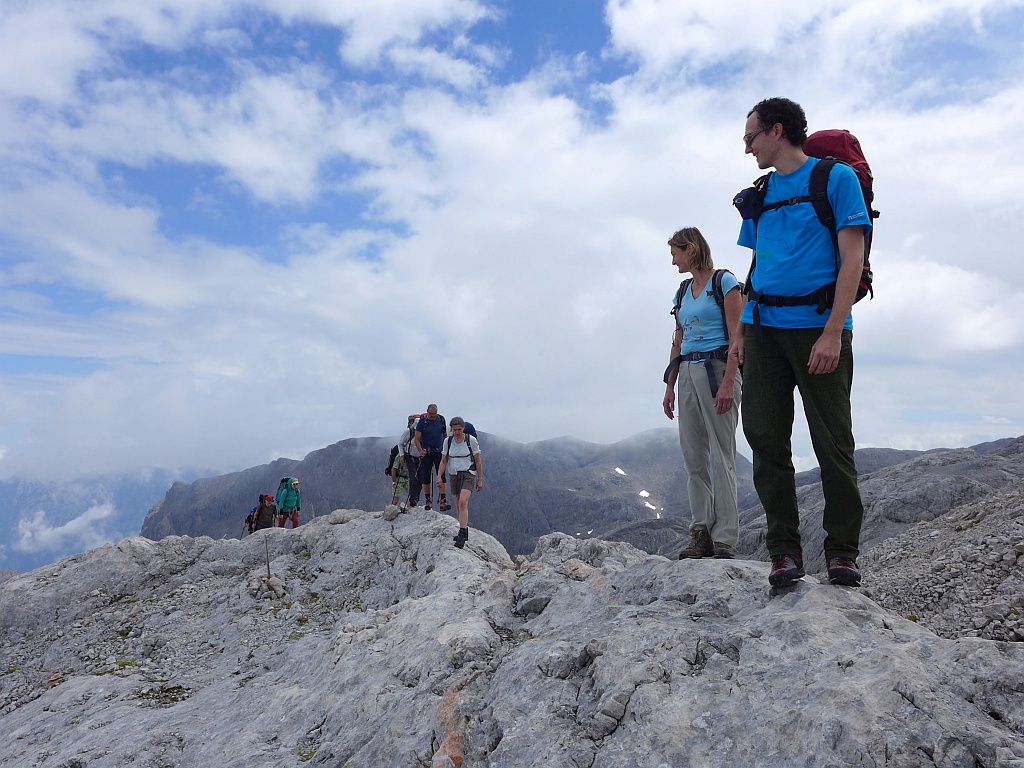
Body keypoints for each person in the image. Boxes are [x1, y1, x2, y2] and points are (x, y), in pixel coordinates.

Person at [734, 97, 872, 587]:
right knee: (766, 441)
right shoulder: (760, 193)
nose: (747, 148)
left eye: (750, 138)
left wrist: (834, 330)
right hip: (764, 331)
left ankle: (842, 552)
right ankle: (784, 553)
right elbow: (758, 268)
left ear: (776, 131)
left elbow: (851, 257)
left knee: (832, 443)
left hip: (819, 328)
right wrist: (740, 337)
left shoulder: (836, 180)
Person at [662, 227, 744, 560]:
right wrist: (669, 385)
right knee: (694, 457)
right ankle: (701, 533)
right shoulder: (682, 292)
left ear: (691, 249)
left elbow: (739, 335)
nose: (673, 261)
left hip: (717, 370)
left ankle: (725, 537)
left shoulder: (724, 282)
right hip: (688, 374)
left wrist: (729, 381)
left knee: (722, 455)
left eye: (675, 254)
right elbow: (678, 339)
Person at [437, 417, 482, 548]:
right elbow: (443, 460)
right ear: (451, 429)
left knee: (463, 502)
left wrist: (480, 479)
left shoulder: (470, 441)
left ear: (463, 428)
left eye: (459, 429)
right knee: (458, 504)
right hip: (453, 474)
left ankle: (462, 535)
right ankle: (464, 530)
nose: (457, 432)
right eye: (454, 430)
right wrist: (439, 476)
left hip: (468, 473)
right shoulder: (448, 441)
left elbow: (478, 460)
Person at [415, 404, 449, 511]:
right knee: (426, 476)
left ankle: (443, 500)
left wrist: (446, 448)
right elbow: (417, 438)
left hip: (439, 451)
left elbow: (444, 434)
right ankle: (428, 500)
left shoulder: (441, 419)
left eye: (435, 413)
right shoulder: (422, 422)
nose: (433, 415)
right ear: (427, 412)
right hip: (427, 452)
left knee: (442, 475)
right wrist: (420, 450)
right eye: (431, 413)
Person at [400, 414, 424, 508]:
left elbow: (400, 443)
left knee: (421, 478)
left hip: (421, 457)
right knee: (413, 477)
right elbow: (401, 443)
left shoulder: (421, 432)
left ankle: (415, 498)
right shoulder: (408, 432)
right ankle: (413, 499)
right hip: (410, 456)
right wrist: (402, 455)